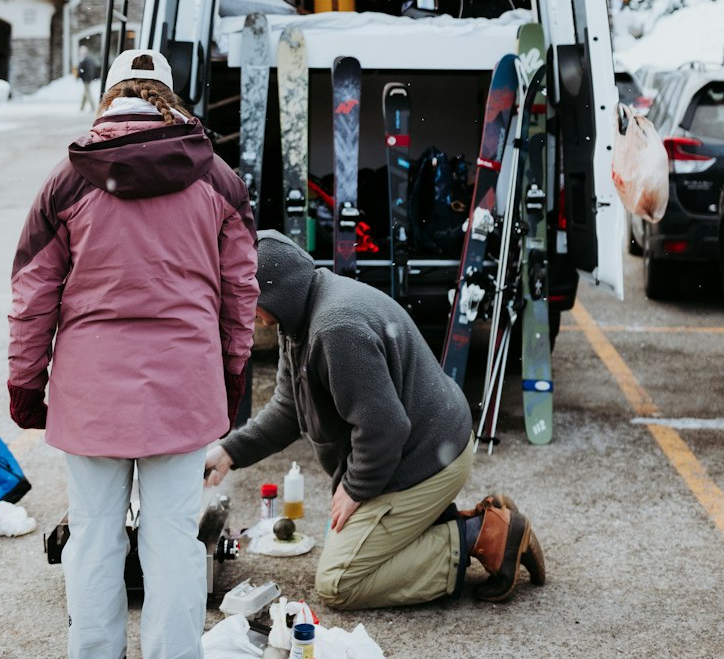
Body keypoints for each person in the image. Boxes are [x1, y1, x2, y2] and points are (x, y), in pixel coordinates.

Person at [7, 49, 258, 659]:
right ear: (168, 101)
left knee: (93, 536)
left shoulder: (67, 179)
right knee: (174, 541)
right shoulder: (217, 179)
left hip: (92, 394)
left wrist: (27, 384)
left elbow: (33, 294)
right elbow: (240, 294)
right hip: (182, 389)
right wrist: (234, 378)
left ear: (112, 97)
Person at [204, 231, 546, 610]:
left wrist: (356, 488)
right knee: (350, 546)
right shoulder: (299, 315)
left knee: (340, 581)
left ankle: (485, 533)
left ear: (275, 293)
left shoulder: (335, 329)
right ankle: (440, 524)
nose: (245, 314)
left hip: (425, 457)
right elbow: (289, 407)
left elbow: (385, 428)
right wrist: (228, 453)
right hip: (417, 446)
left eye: (248, 302)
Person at [75, 45, 98, 110]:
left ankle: (92, 106)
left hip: (86, 78)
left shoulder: (84, 60)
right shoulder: (90, 59)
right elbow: (94, 69)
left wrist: (78, 76)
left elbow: (80, 70)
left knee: (87, 92)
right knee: (86, 92)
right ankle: (82, 107)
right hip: (89, 78)